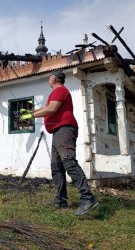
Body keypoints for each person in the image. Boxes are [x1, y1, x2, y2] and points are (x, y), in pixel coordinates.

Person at [20, 70, 98, 216]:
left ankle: (88, 198)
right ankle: (60, 199)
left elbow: (51, 109)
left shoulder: (60, 90)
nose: (48, 80)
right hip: (58, 132)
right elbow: (45, 109)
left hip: (64, 130)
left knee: (69, 162)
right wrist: (30, 112)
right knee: (56, 166)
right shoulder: (56, 93)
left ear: (54, 78)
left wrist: (30, 115)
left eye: (49, 77)